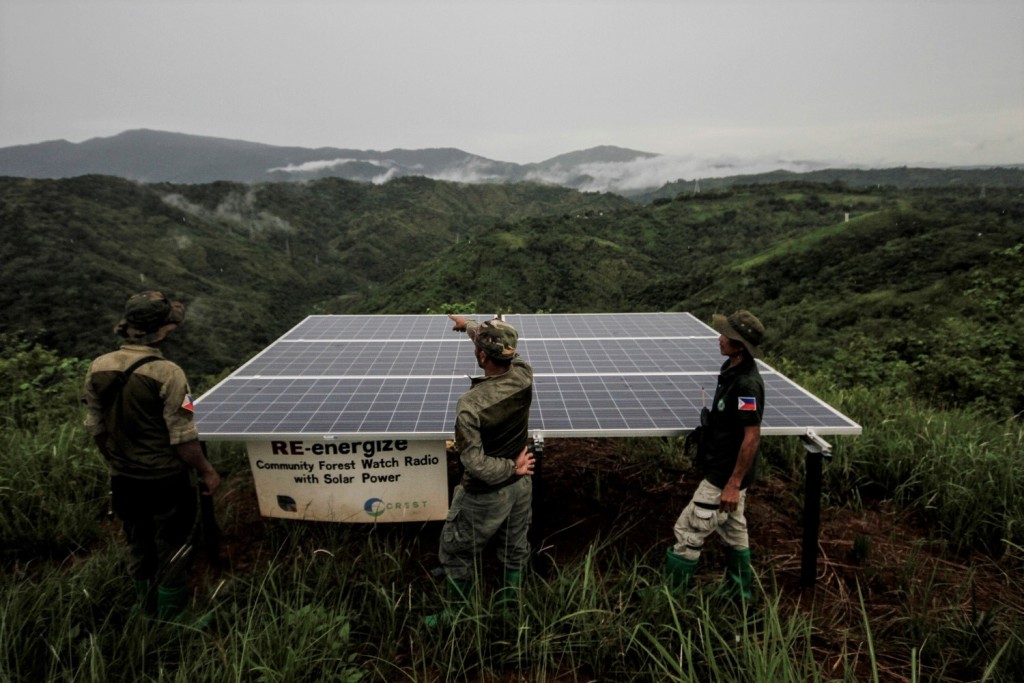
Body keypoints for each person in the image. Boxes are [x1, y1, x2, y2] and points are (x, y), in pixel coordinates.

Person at [82, 291, 220, 621]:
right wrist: (207, 471)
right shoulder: (169, 373)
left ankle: (143, 608)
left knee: (138, 542)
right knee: (174, 545)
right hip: (166, 480)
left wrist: (116, 460)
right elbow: (184, 437)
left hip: (124, 478)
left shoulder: (98, 367)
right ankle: (173, 619)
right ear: (163, 330)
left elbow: (96, 427)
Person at [425, 314, 536, 627]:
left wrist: (510, 467)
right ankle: (508, 610)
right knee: (514, 548)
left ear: (482, 356)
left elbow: (474, 463)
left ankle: (457, 616)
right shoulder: (524, 375)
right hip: (522, 488)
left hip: (485, 494)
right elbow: (501, 347)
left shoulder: (470, 405)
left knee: (456, 551)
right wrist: (470, 326)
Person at [666, 309, 765, 603]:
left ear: (740, 347)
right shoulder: (732, 369)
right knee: (734, 530)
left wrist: (733, 483)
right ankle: (740, 596)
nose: (720, 338)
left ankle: (670, 599)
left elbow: (752, 437)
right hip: (729, 471)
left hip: (724, 475)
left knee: (688, 530)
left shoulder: (747, 385)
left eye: (727, 336)